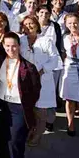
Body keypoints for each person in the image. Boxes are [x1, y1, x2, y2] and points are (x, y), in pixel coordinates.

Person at [0, 32, 41, 158]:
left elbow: (36, 90)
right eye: (7, 46)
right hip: (1, 105)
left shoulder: (28, 67)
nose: (11, 49)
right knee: (1, 141)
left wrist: (27, 105)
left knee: (15, 142)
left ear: (19, 46)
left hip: (18, 108)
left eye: (14, 45)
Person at [19, 17, 59, 146]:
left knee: (41, 110)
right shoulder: (20, 41)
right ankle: (31, 131)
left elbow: (54, 59)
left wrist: (41, 70)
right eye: (25, 24)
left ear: (37, 25)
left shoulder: (46, 40)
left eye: (31, 23)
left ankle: (37, 135)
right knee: (29, 109)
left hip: (43, 79)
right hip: (26, 81)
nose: (29, 26)